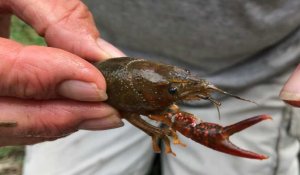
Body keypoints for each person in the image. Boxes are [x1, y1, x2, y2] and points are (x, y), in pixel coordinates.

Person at [0, 0, 299, 175]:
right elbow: (143, 118)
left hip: (258, 67)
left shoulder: (178, 82)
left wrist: (176, 90)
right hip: (87, 73)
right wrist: (159, 129)